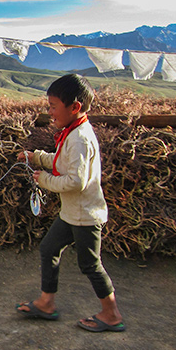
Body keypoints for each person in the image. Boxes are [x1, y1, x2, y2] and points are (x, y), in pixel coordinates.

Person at [15, 74, 125, 332]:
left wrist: (44, 180)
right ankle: (46, 303)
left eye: (53, 107)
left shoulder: (79, 139)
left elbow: (76, 182)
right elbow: (62, 161)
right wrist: (36, 157)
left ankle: (112, 315)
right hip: (72, 213)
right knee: (49, 248)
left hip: (85, 216)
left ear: (74, 107)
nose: (50, 112)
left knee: (90, 264)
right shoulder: (73, 132)